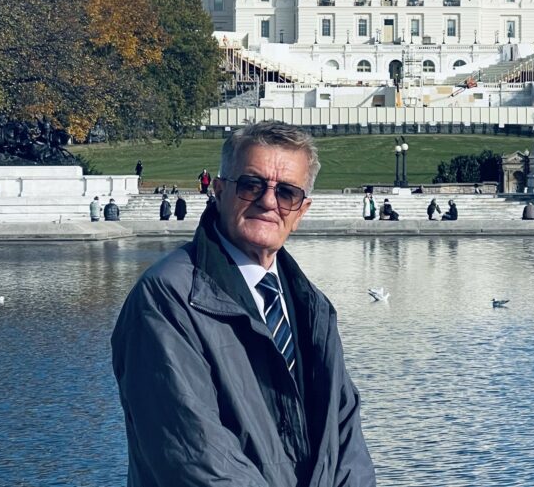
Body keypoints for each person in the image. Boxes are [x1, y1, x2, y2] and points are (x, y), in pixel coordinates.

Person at [112, 120, 375, 486]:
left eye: (287, 193)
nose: (268, 202)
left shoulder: (314, 306)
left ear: (301, 211)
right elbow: (195, 459)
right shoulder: (166, 298)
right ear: (219, 191)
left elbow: (346, 443)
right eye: (251, 185)